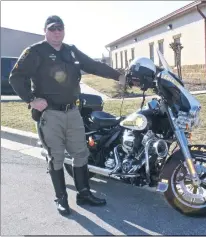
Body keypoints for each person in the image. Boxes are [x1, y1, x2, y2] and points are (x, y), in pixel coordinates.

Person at [9, 15, 125, 216]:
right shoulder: (35, 52)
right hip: (50, 114)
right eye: (52, 28)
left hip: (73, 112)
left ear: (64, 31)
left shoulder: (71, 51)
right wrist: (31, 99)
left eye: (60, 28)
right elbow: (16, 77)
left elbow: (93, 65)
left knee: (81, 153)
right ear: (45, 30)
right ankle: (61, 198)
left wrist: (119, 76)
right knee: (56, 157)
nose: (57, 32)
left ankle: (84, 193)